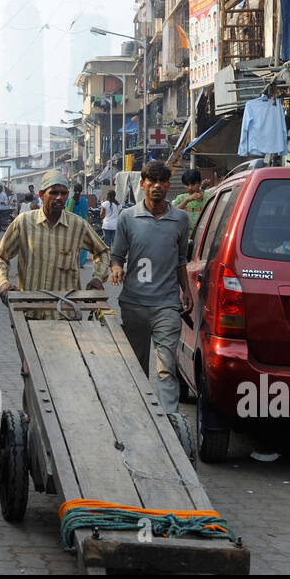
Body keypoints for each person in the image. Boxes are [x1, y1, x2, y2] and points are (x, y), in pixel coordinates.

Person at [108, 161, 193, 415]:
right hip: (134, 304)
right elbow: (117, 255)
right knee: (137, 366)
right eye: (152, 181)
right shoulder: (127, 218)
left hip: (167, 305)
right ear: (142, 184)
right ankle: (139, 418)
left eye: (163, 181)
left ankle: (170, 423)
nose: (157, 186)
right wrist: (115, 269)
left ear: (168, 185)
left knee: (166, 367)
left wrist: (185, 290)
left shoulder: (180, 219)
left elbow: (180, 260)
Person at [0, 172, 110, 300]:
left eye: (64, 193)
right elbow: (0, 257)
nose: (59, 197)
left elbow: (102, 252)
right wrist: (3, 282)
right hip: (29, 310)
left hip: (66, 311)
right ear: (42, 195)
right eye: (54, 193)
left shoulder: (78, 225)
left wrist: (98, 278)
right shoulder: (23, 223)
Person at [173, 169, 212, 240]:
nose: (190, 187)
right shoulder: (181, 198)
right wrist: (187, 200)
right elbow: (172, 213)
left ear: (200, 183)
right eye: (187, 185)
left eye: (193, 184)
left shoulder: (209, 197)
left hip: (204, 239)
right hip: (185, 239)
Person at [70, 183, 89, 267]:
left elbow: (67, 212)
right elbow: (86, 212)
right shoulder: (84, 200)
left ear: (73, 190)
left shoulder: (70, 200)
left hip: (72, 224)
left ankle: (72, 262)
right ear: (81, 191)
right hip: (82, 224)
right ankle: (80, 262)